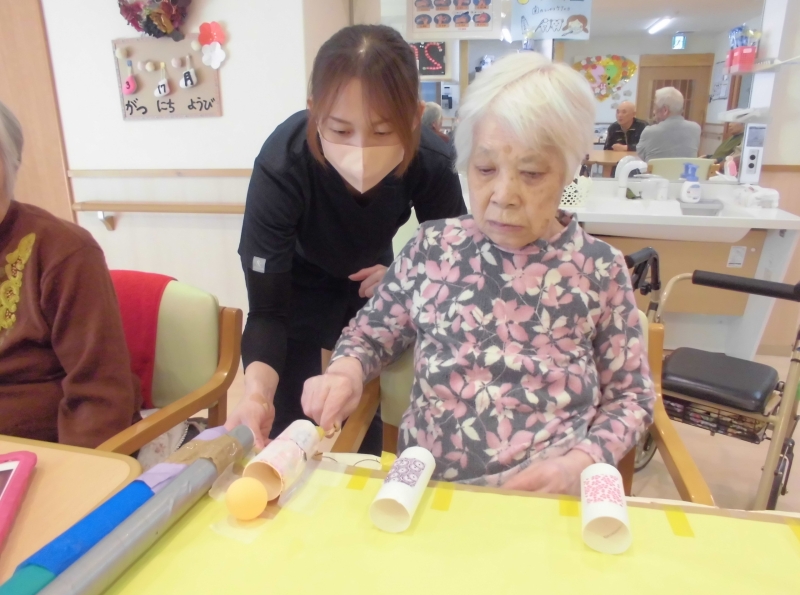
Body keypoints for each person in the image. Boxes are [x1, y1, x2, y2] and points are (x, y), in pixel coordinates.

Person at [302, 52, 655, 494]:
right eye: (485, 169)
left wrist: (578, 464)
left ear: (568, 171)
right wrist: (345, 372)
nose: (503, 195)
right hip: (423, 493)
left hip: (544, 502)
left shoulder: (599, 267)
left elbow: (631, 398)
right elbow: (369, 336)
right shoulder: (433, 248)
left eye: (531, 173)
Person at [226, 25, 466, 452]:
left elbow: (456, 263)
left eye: (383, 132)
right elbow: (267, 312)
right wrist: (255, 394)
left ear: (415, 117)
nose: (360, 151)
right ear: (314, 111)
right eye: (339, 130)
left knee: (363, 413)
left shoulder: (431, 160)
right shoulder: (283, 164)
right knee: (285, 420)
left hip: (371, 277)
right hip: (296, 279)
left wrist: (404, 276)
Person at [0, 101, 142, 448]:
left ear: (10, 165)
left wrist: (79, 473)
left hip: (48, 453)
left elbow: (101, 394)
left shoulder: (65, 251)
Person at [636, 87, 701, 162]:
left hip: (657, 170)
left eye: (655, 107)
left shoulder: (649, 132)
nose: (653, 112)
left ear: (665, 110)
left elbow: (641, 157)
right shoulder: (696, 129)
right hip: (684, 170)